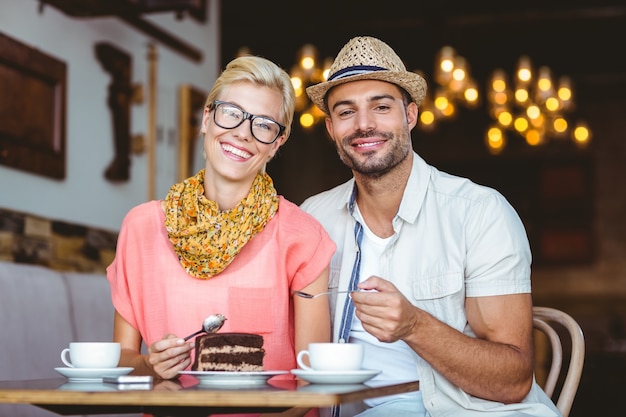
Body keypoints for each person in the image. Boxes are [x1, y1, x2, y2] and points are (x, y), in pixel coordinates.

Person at [300, 36, 562, 417]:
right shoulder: (313, 219)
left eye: (381, 106)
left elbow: (513, 380)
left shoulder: (480, 213)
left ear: (410, 115)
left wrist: (413, 326)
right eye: (345, 112)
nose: (364, 124)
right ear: (330, 128)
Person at [106, 55, 336, 381]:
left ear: (276, 144)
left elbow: (312, 381)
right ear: (206, 119)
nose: (244, 133)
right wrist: (151, 366)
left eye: (264, 125)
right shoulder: (140, 227)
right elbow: (121, 360)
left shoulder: (303, 236)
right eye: (231, 114)